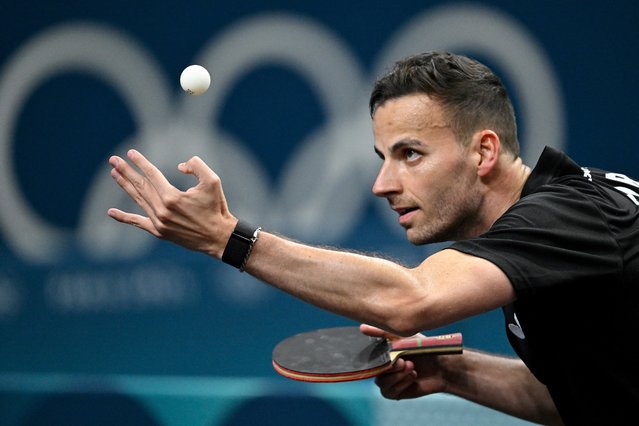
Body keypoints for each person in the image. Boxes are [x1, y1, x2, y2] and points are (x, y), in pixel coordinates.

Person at [107, 51, 639, 425]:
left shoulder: (572, 216)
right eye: (382, 159)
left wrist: (228, 239)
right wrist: (455, 374)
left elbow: (410, 301)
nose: (382, 185)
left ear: (483, 152)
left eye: (410, 154)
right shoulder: (551, 228)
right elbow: (581, 399)